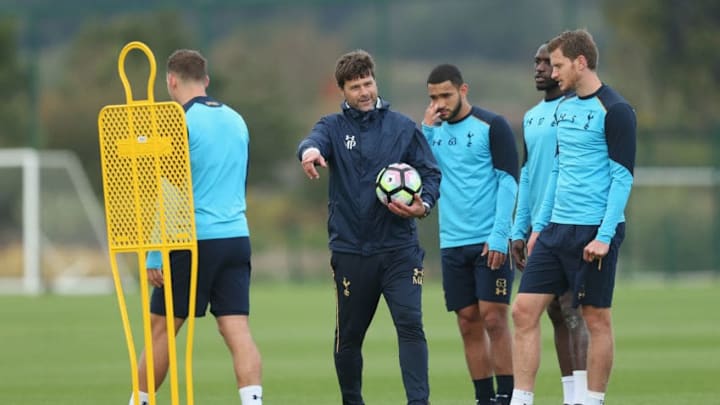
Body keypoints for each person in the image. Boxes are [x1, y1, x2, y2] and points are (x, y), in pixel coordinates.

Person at [297, 49, 441, 405]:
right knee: (348, 338)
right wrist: (309, 154)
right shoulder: (332, 127)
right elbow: (311, 142)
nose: (364, 92)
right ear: (342, 91)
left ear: (375, 82)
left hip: (399, 251)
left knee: (410, 325)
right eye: (355, 86)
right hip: (351, 253)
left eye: (368, 83)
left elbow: (431, 173)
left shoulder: (403, 127)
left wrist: (423, 205)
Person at [128, 49, 263, 405]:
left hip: (192, 239)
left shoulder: (177, 121)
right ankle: (253, 401)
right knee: (236, 329)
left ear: (171, 81)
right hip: (236, 236)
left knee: (161, 331)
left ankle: (138, 401)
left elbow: (170, 189)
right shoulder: (237, 120)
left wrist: (156, 252)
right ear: (206, 80)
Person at [509, 29, 636, 405]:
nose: (553, 70)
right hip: (555, 231)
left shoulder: (615, 110)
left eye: (559, 64)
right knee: (523, 311)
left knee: (596, 320)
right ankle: (521, 400)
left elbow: (622, 177)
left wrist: (605, 234)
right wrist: (540, 226)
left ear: (581, 63)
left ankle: (591, 401)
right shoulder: (563, 110)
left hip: (593, 231)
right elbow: (558, 172)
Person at [422, 64, 519, 405]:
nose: (439, 103)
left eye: (446, 95)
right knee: (467, 322)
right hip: (452, 242)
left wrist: (499, 235)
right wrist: (427, 131)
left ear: (463, 90)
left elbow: (508, 181)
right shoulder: (432, 132)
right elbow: (424, 173)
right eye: (433, 97)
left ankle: (507, 397)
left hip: (488, 240)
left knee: (494, 317)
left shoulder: (492, 126)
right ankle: (483, 398)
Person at [510, 43, 589, 405]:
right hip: (537, 230)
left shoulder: (578, 111)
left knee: (572, 309)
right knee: (553, 312)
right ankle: (568, 394)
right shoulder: (530, 117)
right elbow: (527, 175)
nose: (540, 68)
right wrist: (518, 229)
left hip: (570, 224)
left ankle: (581, 397)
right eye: (537, 61)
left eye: (547, 62)